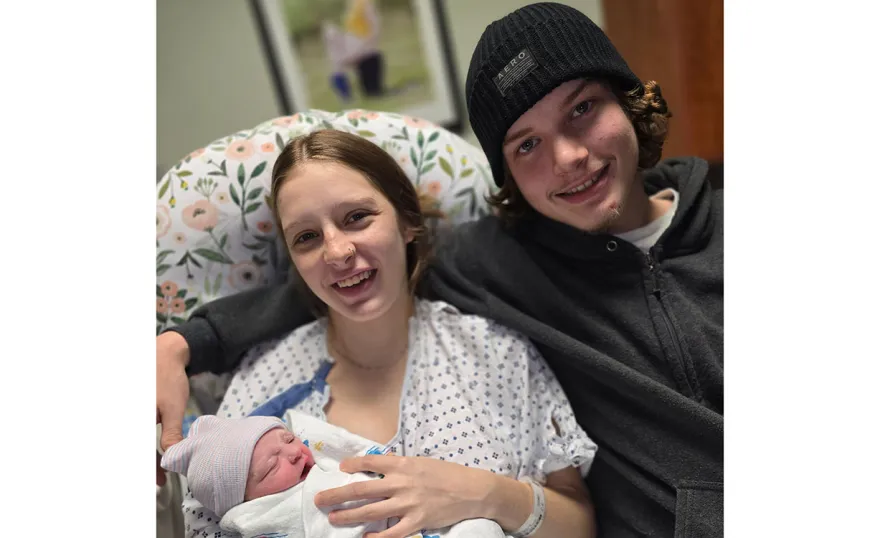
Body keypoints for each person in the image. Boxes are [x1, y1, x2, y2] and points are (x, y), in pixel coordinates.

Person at [157, 2, 723, 536]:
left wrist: (481, 493)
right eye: (526, 144)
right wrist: (181, 343)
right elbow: (344, 277)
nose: (569, 158)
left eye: (582, 109)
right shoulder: (494, 261)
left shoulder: (491, 338)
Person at [170, 128, 598, 538]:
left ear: (407, 222)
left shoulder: (495, 354)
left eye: (357, 217)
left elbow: (579, 526)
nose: (337, 251)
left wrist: (484, 493)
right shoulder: (263, 380)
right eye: (306, 237)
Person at [162, 412, 510, 537]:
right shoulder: (260, 522)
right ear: (246, 500)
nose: (295, 453)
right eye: (272, 466)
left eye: (287, 439)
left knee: (480, 529)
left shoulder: (324, 463)